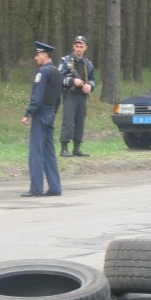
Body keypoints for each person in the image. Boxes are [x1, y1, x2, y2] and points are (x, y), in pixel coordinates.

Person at [21, 41, 63, 197]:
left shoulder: (43, 72)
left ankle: (36, 188)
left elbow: (37, 97)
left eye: (38, 54)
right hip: (51, 113)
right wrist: (53, 112)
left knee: (36, 152)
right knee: (49, 152)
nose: (35, 57)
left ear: (44, 55)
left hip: (40, 115)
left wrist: (28, 114)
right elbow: (58, 98)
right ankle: (55, 187)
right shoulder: (57, 72)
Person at [59, 35, 96, 157]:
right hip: (70, 94)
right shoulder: (66, 61)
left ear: (85, 48)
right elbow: (59, 78)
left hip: (82, 96)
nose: (79, 49)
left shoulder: (88, 63)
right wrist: (72, 81)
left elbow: (92, 79)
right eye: (77, 46)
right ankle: (64, 148)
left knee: (80, 121)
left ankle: (77, 148)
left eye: (81, 46)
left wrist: (89, 86)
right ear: (73, 47)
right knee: (68, 120)